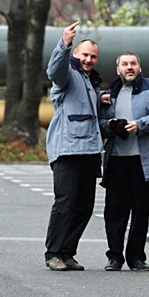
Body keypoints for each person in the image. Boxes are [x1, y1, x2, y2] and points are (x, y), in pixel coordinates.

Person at [99, 52, 149, 272]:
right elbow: (97, 121)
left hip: (145, 161)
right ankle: (114, 257)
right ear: (118, 69)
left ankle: (136, 257)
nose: (129, 67)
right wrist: (111, 126)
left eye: (133, 63)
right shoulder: (108, 95)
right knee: (114, 212)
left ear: (139, 67)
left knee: (141, 211)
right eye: (124, 64)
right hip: (116, 161)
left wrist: (140, 124)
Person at [43, 21, 104, 271]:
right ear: (76, 54)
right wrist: (64, 44)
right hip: (67, 149)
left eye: (93, 56)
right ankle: (53, 253)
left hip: (89, 151)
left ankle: (68, 251)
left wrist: (102, 98)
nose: (88, 59)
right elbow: (54, 71)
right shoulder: (67, 73)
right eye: (85, 54)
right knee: (65, 202)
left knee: (85, 205)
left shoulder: (91, 81)